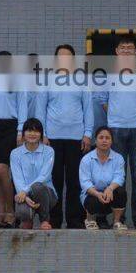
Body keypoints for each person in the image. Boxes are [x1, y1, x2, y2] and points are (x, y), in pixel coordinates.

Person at [35, 44, 93, 229]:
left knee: (75, 181)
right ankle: (54, 219)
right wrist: (42, 135)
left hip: (77, 139)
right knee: (54, 181)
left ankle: (75, 220)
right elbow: (40, 110)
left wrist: (88, 134)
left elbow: (88, 109)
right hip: (52, 139)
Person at [97, 35, 136, 227]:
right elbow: (103, 99)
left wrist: (134, 115)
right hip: (115, 128)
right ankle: (117, 218)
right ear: (117, 51)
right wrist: (116, 114)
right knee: (116, 174)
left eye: (130, 47)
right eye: (123, 47)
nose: (127, 50)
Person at [0, 83, 27, 228]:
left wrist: (20, 130)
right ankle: (0, 211)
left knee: (2, 170)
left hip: (9, 127)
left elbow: (22, 106)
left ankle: (11, 211)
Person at [11, 118, 58, 230]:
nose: (32, 134)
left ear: (41, 134)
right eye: (29, 130)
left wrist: (25, 191)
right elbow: (17, 178)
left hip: (46, 194)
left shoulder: (49, 151)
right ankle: (27, 220)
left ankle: (44, 220)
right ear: (23, 134)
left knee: (37, 186)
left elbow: (44, 176)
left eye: (36, 131)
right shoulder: (15, 153)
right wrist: (25, 196)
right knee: (22, 211)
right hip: (24, 194)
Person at [79, 126, 128, 230]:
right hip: (93, 195)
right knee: (92, 199)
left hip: (110, 195)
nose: (104, 140)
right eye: (101, 138)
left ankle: (117, 222)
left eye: (107, 138)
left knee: (121, 191)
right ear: (95, 141)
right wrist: (97, 193)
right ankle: (90, 221)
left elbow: (119, 177)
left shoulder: (118, 158)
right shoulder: (86, 159)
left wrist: (110, 189)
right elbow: (85, 183)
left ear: (111, 141)